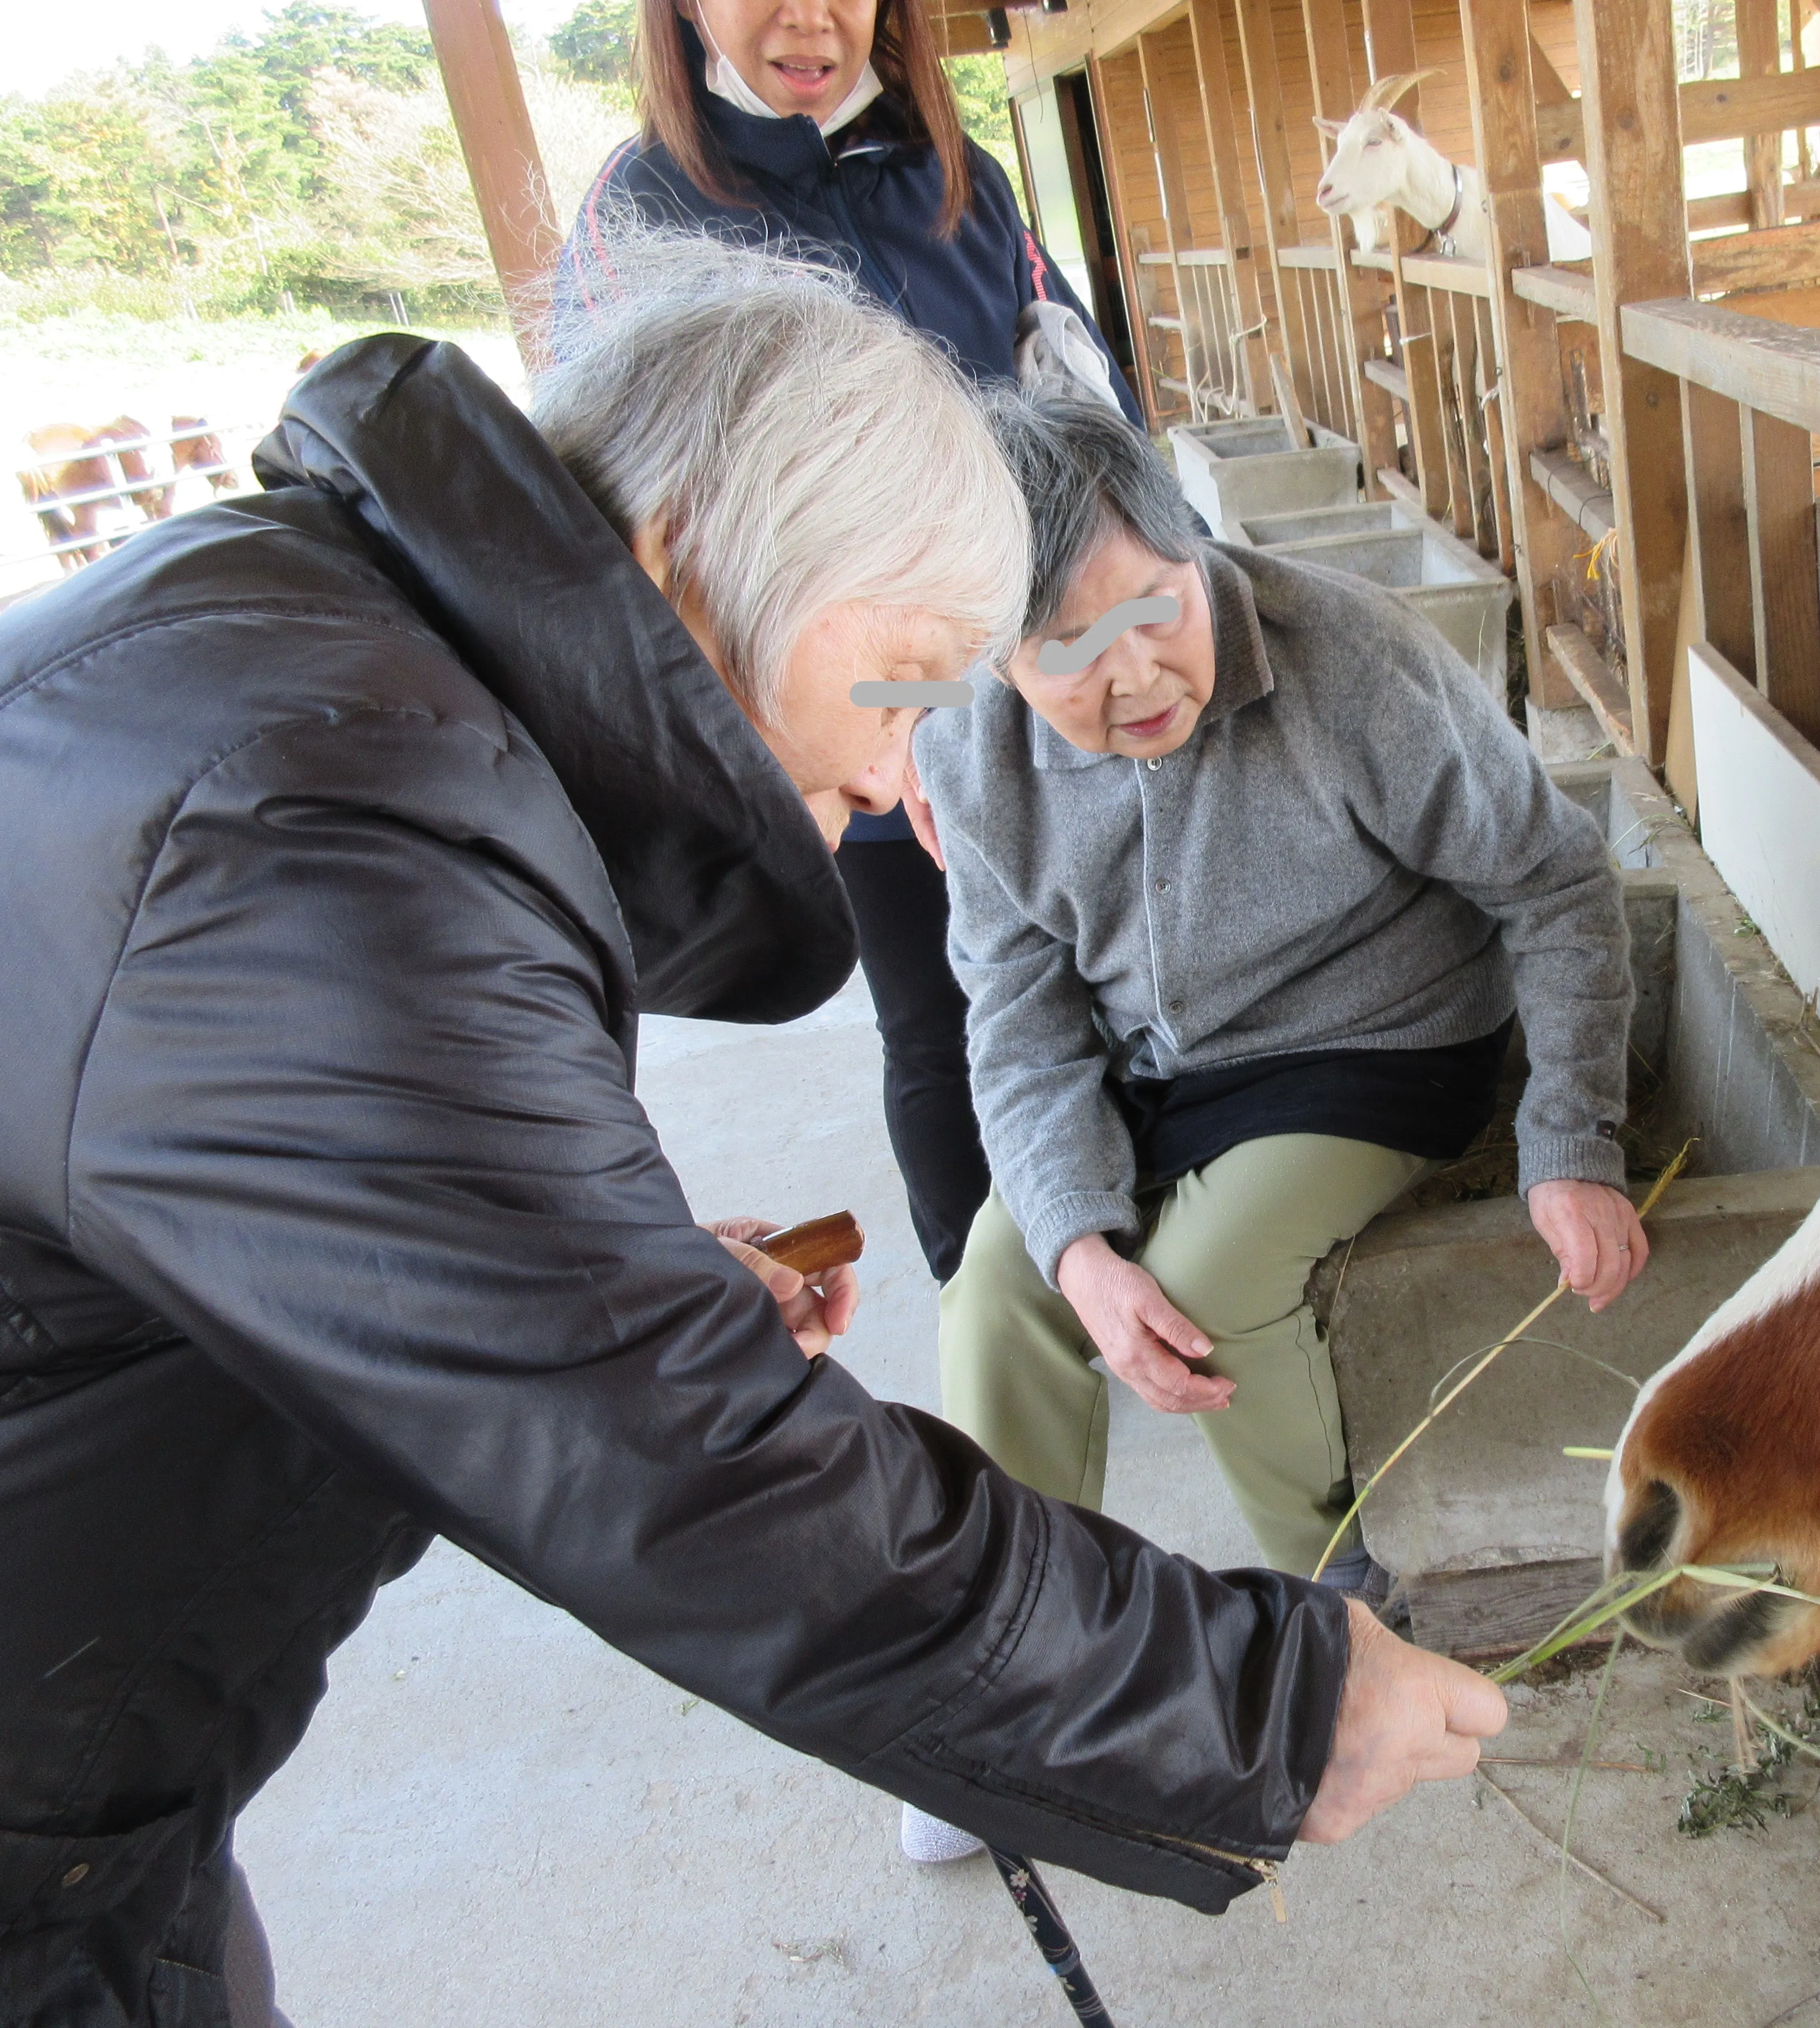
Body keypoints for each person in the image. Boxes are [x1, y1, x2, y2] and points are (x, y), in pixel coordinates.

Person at [0, 242, 1503, 2028]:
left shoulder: (316, 672)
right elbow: (690, 1476)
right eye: (895, 690)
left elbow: (301, 1230)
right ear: (690, 547)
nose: (890, 783)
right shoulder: (321, 819)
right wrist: (1267, 1703)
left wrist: (587, 1266)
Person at [906, 397, 1646, 1862]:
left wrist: (1573, 1136)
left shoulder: (1346, 658)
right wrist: (1072, 1246)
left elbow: (1557, 885)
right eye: (1066, 649)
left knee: (1216, 1270)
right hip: (1156, 1063)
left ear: (1197, 552)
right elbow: (1018, 1020)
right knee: (998, 1284)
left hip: (1376, 1039)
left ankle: (1344, 1604)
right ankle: (1013, 1686)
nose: (1134, 673)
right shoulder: (968, 759)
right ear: (994, 653)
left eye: (1156, 608)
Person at [562, 0, 1142, 1286]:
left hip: (1014, 684)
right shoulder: (640, 212)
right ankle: (983, 1282)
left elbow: (1076, 403)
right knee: (937, 1015)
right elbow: (657, 559)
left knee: (1069, 983)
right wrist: (903, 716)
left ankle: (1097, 1266)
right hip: (833, 727)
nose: (813, 15)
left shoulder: (953, 174)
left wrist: (1121, 612)